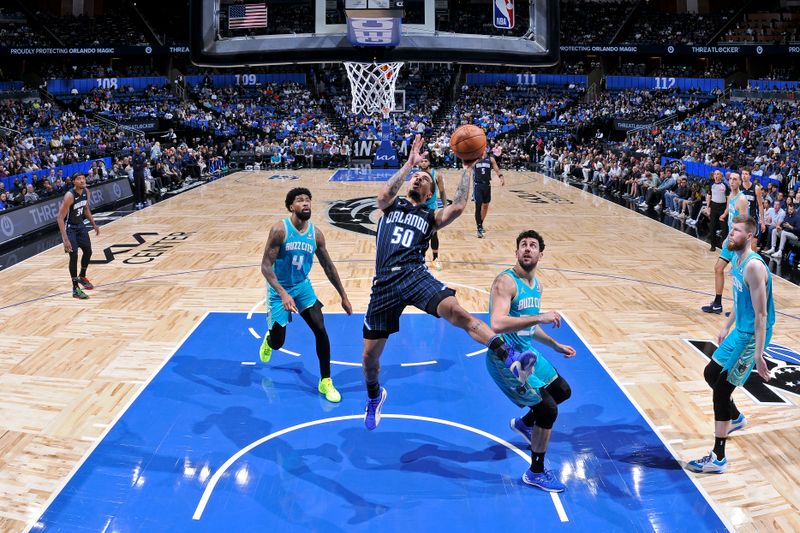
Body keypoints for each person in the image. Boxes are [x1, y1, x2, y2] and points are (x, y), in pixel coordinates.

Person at [362, 135, 514, 430]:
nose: (418, 180)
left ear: (430, 190)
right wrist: (408, 165)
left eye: (423, 178)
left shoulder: (429, 216)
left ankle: (508, 354)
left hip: (415, 275)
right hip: (384, 285)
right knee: (369, 359)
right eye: (415, 178)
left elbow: (457, 207)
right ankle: (374, 395)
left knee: (459, 313)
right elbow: (382, 197)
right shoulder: (391, 208)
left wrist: (468, 169)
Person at [487, 229, 576, 492]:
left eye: (533, 245)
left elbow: (529, 327)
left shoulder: (536, 285)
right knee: (547, 409)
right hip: (506, 358)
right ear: (516, 252)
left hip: (527, 353)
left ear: (540, 254)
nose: (527, 248)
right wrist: (540, 317)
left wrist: (555, 344)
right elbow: (497, 323)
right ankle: (535, 472)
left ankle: (524, 425)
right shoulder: (506, 282)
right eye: (523, 245)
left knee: (562, 391)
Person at [687, 215, 774, 473]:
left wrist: (758, 355)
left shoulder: (754, 267)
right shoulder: (736, 260)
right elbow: (739, 299)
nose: (730, 235)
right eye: (730, 230)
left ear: (749, 236)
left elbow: (761, 315)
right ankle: (734, 417)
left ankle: (718, 457)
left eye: (735, 231)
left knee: (722, 390)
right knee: (710, 372)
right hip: (740, 329)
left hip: (753, 335)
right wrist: (726, 326)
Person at [259, 187, 353, 403]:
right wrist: (282, 293)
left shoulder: (316, 234)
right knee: (278, 342)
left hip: (302, 287)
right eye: (300, 200)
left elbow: (329, 267)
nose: (305, 203)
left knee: (320, 329)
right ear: (291, 206)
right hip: (278, 288)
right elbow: (265, 266)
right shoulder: (279, 231)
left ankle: (325, 381)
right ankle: (269, 340)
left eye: (308, 200)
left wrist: (343, 296)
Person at [702, 172, 749, 314]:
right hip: (730, 239)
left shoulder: (742, 199)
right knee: (718, 268)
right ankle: (717, 304)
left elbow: (744, 224)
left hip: (737, 242)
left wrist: (733, 239)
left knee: (738, 277)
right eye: (731, 179)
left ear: (740, 182)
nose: (732, 181)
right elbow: (730, 214)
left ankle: (739, 309)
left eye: (735, 179)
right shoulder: (731, 197)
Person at [56, 172, 100, 300]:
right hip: (70, 228)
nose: (82, 180)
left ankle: (82, 276)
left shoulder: (86, 191)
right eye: (79, 179)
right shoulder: (69, 196)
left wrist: (94, 224)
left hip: (80, 226)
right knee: (73, 255)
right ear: (74, 182)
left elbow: (86, 209)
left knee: (88, 251)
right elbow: (59, 218)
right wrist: (65, 240)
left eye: (83, 178)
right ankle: (75, 288)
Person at [420, 157, 447, 271]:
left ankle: (435, 259)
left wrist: (445, 207)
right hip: (419, 208)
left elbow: (442, 191)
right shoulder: (417, 175)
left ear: (429, 162)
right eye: (421, 161)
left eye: (425, 160)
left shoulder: (436, 175)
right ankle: (420, 259)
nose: (423, 162)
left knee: (433, 234)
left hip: (431, 208)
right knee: (419, 235)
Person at [473, 149, 505, 238]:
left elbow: (497, 170)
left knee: (486, 205)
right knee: (478, 206)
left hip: (487, 185)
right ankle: (479, 228)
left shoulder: (490, 159)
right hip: (477, 185)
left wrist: (501, 177)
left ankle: (481, 223)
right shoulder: (475, 159)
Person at [739, 168, 766, 251]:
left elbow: (760, 205)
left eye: (746, 174)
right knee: (740, 243)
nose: (744, 175)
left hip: (752, 219)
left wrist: (763, 221)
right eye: (743, 173)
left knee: (753, 244)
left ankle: (753, 262)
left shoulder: (756, 188)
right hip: (742, 218)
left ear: (750, 176)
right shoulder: (739, 187)